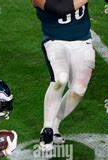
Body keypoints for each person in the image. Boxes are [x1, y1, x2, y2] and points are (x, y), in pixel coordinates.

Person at [32, 0, 95, 151]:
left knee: (79, 89)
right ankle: (47, 130)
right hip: (55, 40)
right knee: (61, 78)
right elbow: (59, 8)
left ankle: (55, 124)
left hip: (82, 40)